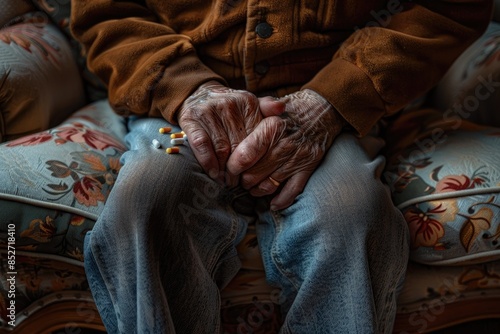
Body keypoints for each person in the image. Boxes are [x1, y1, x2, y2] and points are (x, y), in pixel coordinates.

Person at [69, 1, 493, 333]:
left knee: (350, 211)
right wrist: (189, 89)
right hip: (173, 106)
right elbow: (104, 12)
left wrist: (332, 99)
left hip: (331, 107)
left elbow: (449, 9)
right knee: (146, 197)